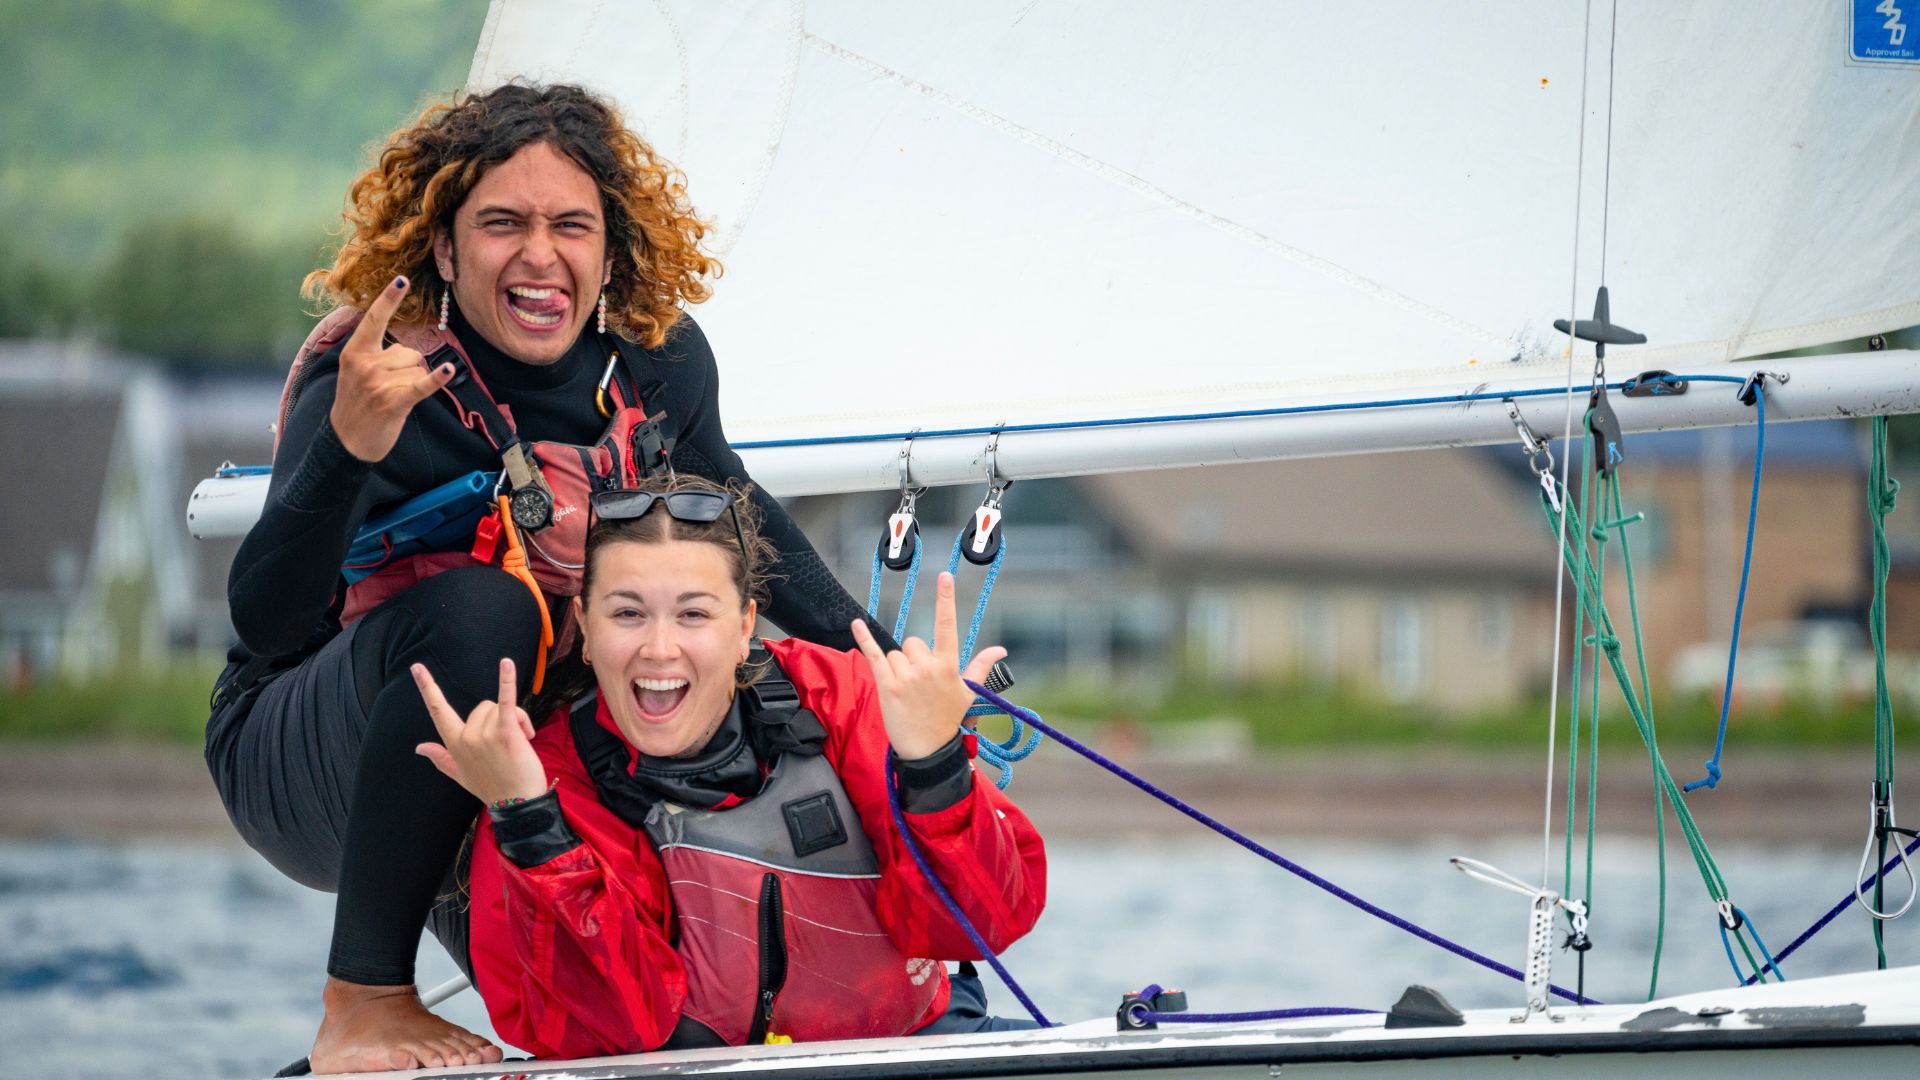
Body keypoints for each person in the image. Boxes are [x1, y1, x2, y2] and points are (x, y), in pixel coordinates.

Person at [204, 84, 896, 1073]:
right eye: (502, 224)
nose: (539, 255)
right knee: (485, 616)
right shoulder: (378, 372)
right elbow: (266, 623)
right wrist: (348, 448)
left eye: (571, 225)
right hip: (310, 753)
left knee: (737, 669)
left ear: (610, 248)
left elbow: (743, 519)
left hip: (514, 752)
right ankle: (362, 1001)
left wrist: (880, 656)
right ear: (444, 249)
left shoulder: (658, 368)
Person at [414, 475, 1046, 1057]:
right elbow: (616, 1030)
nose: (660, 648)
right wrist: (531, 826)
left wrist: (934, 765)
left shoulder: (841, 696)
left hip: (920, 1043)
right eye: (627, 613)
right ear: (584, 623)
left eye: (694, 614)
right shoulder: (539, 781)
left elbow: (978, 929)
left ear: (745, 625)